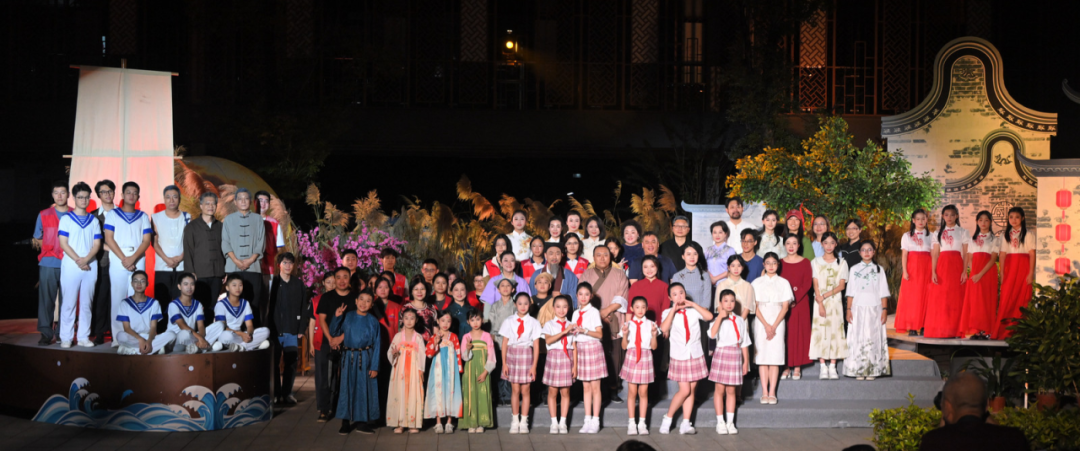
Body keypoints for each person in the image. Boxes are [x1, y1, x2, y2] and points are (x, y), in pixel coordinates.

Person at [918, 372, 1028, 451]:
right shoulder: (1014, 439)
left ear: (947, 406)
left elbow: (944, 434)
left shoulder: (934, 442)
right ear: (986, 406)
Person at [658, 283, 714, 435]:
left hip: (695, 353)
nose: (679, 296)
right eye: (675, 294)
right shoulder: (667, 312)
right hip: (679, 355)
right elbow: (664, 328)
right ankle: (668, 418)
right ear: (670, 297)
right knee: (685, 390)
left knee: (691, 390)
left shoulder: (693, 311)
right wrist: (673, 310)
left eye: (681, 292)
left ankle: (686, 423)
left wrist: (693, 304)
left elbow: (709, 317)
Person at [103, 182, 152, 348]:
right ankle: (118, 338)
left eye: (135, 193)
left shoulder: (143, 216)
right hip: (118, 258)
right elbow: (109, 238)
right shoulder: (113, 214)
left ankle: (137, 337)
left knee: (137, 298)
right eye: (128, 192)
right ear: (122, 195)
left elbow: (146, 240)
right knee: (117, 298)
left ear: (138, 196)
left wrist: (133, 258)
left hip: (138, 258)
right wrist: (124, 258)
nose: (131, 195)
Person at [580, 245, 629, 404]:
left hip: (614, 317)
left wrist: (606, 311)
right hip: (592, 322)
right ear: (593, 258)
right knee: (594, 356)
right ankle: (595, 391)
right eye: (598, 255)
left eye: (605, 254)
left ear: (611, 257)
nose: (602, 258)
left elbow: (622, 296)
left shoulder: (619, 274)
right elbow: (582, 296)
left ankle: (613, 389)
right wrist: (597, 315)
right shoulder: (586, 274)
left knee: (615, 356)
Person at [330, 290, 381, 435]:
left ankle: (362, 422)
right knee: (346, 388)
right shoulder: (348, 316)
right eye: (361, 299)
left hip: (366, 358)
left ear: (371, 305)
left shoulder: (373, 321)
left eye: (368, 301)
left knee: (363, 389)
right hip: (348, 358)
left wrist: (374, 366)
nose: (364, 303)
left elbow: (377, 344)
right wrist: (337, 317)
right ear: (356, 301)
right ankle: (345, 422)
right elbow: (334, 332)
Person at [57, 182, 101, 348]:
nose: (84, 200)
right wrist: (79, 260)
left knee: (87, 303)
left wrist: (86, 259)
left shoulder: (94, 220)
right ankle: (66, 337)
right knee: (69, 303)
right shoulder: (66, 219)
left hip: (90, 265)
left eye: (86, 197)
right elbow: (63, 243)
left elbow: (97, 244)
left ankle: (83, 336)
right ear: (74, 198)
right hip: (71, 265)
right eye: (80, 197)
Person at [844, 242, 891, 380]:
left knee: (873, 338)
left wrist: (884, 310)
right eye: (863, 250)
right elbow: (850, 291)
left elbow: (883, 292)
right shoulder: (854, 269)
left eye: (869, 250)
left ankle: (872, 369)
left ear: (874, 252)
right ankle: (858, 369)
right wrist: (848, 309)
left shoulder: (879, 270)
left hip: (874, 309)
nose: (866, 252)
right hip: (857, 308)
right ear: (859, 253)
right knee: (857, 338)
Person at [707, 289, 751, 435]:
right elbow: (712, 334)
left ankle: (730, 422)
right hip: (721, 353)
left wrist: (745, 362)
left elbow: (744, 342)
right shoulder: (717, 319)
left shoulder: (740, 320)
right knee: (719, 390)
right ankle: (720, 422)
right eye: (726, 301)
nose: (729, 304)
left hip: (735, 354)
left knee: (731, 390)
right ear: (720, 303)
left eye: (732, 301)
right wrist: (720, 317)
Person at [221, 188, 267, 326]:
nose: (243, 201)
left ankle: (254, 333)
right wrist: (236, 261)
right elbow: (225, 242)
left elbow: (261, 242)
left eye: (246, 198)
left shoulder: (258, 219)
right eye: (240, 198)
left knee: (254, 302)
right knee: (233, 302)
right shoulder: (228, 219)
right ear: (235, 202)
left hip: (253, 268)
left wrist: (251, 260)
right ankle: (233, 331)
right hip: (233, 267)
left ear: (251, 201)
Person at [752, 252, 792, 404]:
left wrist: (774, 326)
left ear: (778, 265)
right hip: (761, 320)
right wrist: (766, 325)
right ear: (763, 264)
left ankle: (772, 392)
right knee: (762, 357)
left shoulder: (784, 282)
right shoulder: (756, 283)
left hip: (778, 319)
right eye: (768, 263)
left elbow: (785, 307)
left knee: (775, 356)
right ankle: (764, 392)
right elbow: (754, 306)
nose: (771, 266)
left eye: (774, 263)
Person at [499, 292, 542, 434]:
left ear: (530, 305)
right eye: (520, 303)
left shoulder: (534, 323)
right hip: (512, 355)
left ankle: (524, 421)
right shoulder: (509, 321)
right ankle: (515, 420)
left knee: (526, 390)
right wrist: (504, 363)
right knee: (515, 390)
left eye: (526, 303)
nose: (523, 306)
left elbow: (536, 346)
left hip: (526, 355)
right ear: (515, 304)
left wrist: (534, 366)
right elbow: (504, 343)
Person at [34, 180, 69, 346]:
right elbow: (38, 237)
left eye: (63, 192)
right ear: (52, 195)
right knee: (46, 300)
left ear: (68, 194)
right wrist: (50, 249)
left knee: (67, 300)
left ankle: (63, 332)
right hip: (48, 263)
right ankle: (46, 333)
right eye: (56, 193)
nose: (60, 196)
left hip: (69, 263)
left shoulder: (74, 213)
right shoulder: (44, 214)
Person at [925, 205, 969, 339]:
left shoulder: (963, 232)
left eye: (952, 215)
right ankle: (941, 329)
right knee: (941, 298)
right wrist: (933, 271)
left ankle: (956, 330)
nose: (949, 217)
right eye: (946, 215)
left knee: (956, 297)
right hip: (942, 266)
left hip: (956, 265)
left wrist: (964, 271)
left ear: (957, 216)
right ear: (943, 216)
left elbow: (966, 253)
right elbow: (935, 254)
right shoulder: (937, 233)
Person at [809, 232, 849, 379]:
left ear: (836, 244)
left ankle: (833, 366)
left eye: (832, 243)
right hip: (819, 301)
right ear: (822, 244)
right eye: (826, 243)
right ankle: (822, 366)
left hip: (835, 302)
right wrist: (820, 302)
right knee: (820, 331)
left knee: (835, 331)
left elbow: (841, 286)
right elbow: (815, 284)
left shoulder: (842, 262)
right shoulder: (815, 262)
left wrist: (824, 296)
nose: (829, 246)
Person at [269, 252, 306, 405]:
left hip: (292, 329)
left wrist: (301, 329)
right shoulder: (273, 283)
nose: (288, 266)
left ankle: (287, 393)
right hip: (275, 330)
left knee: (291, 362)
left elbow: (304, 307)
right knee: (274, 363)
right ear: (279, 265)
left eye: (290, 263)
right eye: (285, 263)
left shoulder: (298, 284)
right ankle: (276, 393)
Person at [183, 192, 226, 323]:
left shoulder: (221, 226)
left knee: (213, 306)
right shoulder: (191, 227)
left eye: (213, 203)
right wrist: (190, 272)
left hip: (217, 273)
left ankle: (209, 332)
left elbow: (226, 250)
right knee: (199, 306)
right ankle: (199, 332)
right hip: (199, 274)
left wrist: (226, 271)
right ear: (201, 206)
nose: (210, 206)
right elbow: (188, 250)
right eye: (207, 203)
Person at [995, 207, 1036, 340]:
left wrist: (1031, 273)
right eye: (1011, 217)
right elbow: (1002, 255)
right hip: (1010, 267)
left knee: (1023, 297)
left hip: (1023, 267)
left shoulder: (1029, 234)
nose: (1014, 220)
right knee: (1007, 297)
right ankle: (1003, 331)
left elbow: (1032, 254)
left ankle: (1021, 332)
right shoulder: (1004, 235)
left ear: (1022, 218)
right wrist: (1002, 273)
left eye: (1017, 217)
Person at [571, 285, 607, 433]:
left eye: (587, 294)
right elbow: (573, 337)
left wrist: (584, 330)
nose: (584, 297)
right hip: (580, 349)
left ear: (591, 296)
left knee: (595, 387)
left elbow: (600, 334)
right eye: (581, 294)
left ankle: (596, 420)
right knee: (585, 387)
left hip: (593, 348)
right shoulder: (575, 313)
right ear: (576, 296)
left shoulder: (594, 312)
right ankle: (587, 420)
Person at [619, 297, 657, 436]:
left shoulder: (651, 324)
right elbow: (624, 347)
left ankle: (642, 423)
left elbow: (654, 347)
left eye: (643, 307)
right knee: (632, 392)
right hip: (632, 356)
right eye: (637, 307)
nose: (640, 310)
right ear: (631, 309)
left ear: (646, 308)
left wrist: (654, 335)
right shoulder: (627, 324)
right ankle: (631, 423)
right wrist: (624, 335)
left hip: (646, 356)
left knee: (643, 392)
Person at [114, 271, 175, 355]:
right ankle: (154, 349)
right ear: (132, 284)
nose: (139, 284)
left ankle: (132, 350)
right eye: (136, 281)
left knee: (172, 335)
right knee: (120, 336)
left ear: (147, 284)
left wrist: (149, 341)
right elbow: (126, 328)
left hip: (149, 336)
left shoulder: (154, 303)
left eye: (142, 281)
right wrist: (140, 340)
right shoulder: (125, 303)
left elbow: (153, 327)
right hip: (133, 337)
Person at [207, 273, 271, 352]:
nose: (238, 288)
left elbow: (249, 325)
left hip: (241, 335)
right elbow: (222, 327)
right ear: (227, 288)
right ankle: (250, 345)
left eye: (240, 285)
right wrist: (241, 334)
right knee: (227, 336)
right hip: (228, 334)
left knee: (266, 331)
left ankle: (240, 347)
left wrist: (248, 335)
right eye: (234, 285)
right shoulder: (221, 304)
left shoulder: (245, 303)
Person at [541, 295, 576, 435]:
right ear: (553, 308)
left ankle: (563, 422)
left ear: (569, 308)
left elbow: (574, 346)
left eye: (565, 307)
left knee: (565, 392)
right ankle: (554, 422)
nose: (561, 310)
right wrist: (564, 331)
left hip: (567, 357)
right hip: (554, 358)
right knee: (552, 391)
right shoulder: (549, 324)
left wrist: (575, 366)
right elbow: (548, 341)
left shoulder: (572, 324)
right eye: (558, 306)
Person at [960, 211, 998, 339]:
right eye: (980, 220)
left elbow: (993, 259)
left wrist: (980, 274)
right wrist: (973, 272)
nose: (983, 223)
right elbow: (970, 257)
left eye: (986, 220)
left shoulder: (994, 239)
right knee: (976, 302)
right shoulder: (972, 239)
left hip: (987, 273)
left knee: (987, 301)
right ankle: (977, 330)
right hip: (975, 274)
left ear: (990, 222)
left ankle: (987, 330)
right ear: (977, 222)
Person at [386, 309, 425, 434]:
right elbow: (390, 351)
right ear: (402, 320)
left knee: (414, 393)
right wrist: (394, 355)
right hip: (400, 371)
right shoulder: (398, 336)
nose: (409, 321)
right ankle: (400, 423)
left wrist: (421, 370)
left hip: (413, 370)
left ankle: (413, 423)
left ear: (416, 320)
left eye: (412, 318)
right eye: (406, 318)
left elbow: (422, 355)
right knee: (399, 393)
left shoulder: (418, 337)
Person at [780, 235, 813, 380]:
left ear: (799, 245)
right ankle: (786, 366)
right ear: (784, 245)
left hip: (800, 302)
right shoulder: (780, 263)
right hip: (784, 303)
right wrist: (787, 299)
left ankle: (798, 366)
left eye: (794, 243)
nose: (791, 246)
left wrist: (795, 298)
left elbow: (807, 283)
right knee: (786, 333)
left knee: (799, 333)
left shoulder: (805, 262)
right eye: (788, 243)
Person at [895, 209, 933, 336]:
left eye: (923, 218)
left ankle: (924, 325)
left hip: (927, 269)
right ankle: (912, 326)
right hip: (912, 270)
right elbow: (904, 255)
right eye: (918, 219)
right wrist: (905, 271)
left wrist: (934, 271)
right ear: (913, 220)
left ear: (926, 220)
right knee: (912, 298)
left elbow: (934, 255)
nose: (921, 221)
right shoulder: (907, 236)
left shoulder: (931, 236)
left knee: (926, 297)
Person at [425, 310, 463, 434]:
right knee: (438, 392)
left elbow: (458, 353)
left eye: (448, 321)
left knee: (450, 391)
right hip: (438, 369)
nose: (445, 324)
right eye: (442, 321)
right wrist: (435, 343)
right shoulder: (434, 337)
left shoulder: (454, 337)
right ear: (438, 321)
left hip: (451, 369)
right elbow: (428, 354)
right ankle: (438, 422)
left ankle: (449, 422)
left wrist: (459, 369)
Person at [306, 271, 337, 422]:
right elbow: (312, 323)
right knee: (321, 376)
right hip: (320, 342)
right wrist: (311, 343)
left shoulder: (340, 299)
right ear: (323, 283)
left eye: (334, 282)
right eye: (328, 282)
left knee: (335, 375)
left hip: (337, 342)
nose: (331, 285)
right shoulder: (316, 300)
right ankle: (323, 408)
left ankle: (334, 406)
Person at [460, 309, 496, 433]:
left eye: (478, 319)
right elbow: (464, 357)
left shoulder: (487, 336)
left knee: (483, 393)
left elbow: (491, 356)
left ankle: (481, 423)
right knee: (470, 393)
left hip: (483, 369)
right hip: (470, 370)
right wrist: (468, 349)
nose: (475, 322)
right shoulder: (466, 337)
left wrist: (486, 372)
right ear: (468, 321)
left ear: (482, 320)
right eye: (472, 320)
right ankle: (471, 422)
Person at [152, 185, 190, 303]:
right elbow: (154, 242)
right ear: (164, 199)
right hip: (162, 267)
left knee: (181, 302)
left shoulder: (187, 217)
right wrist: (167, 259)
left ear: (179, 199)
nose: (171, 200)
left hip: (182, 267)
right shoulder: (156, 217)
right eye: (168, 197)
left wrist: (180, 258)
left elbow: (190, 242)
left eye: (175, 197)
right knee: (162, 302)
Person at [671, 246, 711, 355]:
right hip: (682, 317)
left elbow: (706, 300)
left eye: (695, 254)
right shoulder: (677, 276)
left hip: (701, 317)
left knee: (701, 349)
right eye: (688, 254)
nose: (692, 257)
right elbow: (675, 299)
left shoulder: (705, 275)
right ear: (683, 256)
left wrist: (698, 313)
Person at [89, 180, 116, 345]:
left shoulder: (122, 213)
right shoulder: (92, 216)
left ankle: (116, 332)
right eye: (104, 192)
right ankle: (99, 332)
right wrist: (108, 248)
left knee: (117, 300)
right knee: (100, 299)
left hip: (120, 262)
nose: (107, 194)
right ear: (98, 195)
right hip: (101, 262)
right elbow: (91, 241)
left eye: (110, 191)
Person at [485, 277, 518, 405]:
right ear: (498, 290)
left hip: (511, 340)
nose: (505, 288)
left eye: (508, 285)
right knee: (498, 366)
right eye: (502, 286)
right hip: (497, 340)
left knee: (509, 367)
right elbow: (491, 323)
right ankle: (498, 395)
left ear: (513, 289)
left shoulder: (515, 305)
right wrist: (491, 337)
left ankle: (508, 394)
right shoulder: (495, 306)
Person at [166, 272, 210, 354]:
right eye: (186, 284)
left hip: (193, 336)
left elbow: (201, 325)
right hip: (178, 337)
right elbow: (182, 325)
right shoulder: (173, 304)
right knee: (185, 333)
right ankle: (203, 346)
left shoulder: (198, 304)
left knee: (219, 325)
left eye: (192, 284)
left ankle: (196, 346)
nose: (189, 287)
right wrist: (200, 338)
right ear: (179, 286)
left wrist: (201, 337)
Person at [528, 243, 579, 307]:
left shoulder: (570, 276)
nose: (554, 257)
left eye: (557, 254)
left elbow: (575, 299)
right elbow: (531, 297)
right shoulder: (537, 274)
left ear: (562, 255)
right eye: (551, 254)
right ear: (545, 255)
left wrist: (563, 297)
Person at [254, 191, 286, 290]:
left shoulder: (275, 223)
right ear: (255, 202)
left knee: (267, 296)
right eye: (260, 200)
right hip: (250, 269)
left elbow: (279, 247)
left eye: (266, 201)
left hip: (269, 269)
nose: (263, 204)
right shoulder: (247, 221)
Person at [629, 257, 669, 323]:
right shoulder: (635, 286)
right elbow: (629, 311)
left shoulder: (664, 286)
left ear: (657, 267)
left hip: (657, 324)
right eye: (645, 267)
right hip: (637, 325)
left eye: (652, 266)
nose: (649, 270)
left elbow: (666, 310)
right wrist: (628, 326)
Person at [715, 255, 756, 320]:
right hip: (725, 321)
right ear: (728, 267)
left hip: (742, 322)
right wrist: (727, 321)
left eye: (739, 266)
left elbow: (747, 307)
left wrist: (739, 322)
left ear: (742, 267)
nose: (736, 269)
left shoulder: (748, 286)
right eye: (733, 266)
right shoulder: (721, 285)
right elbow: (719, 306)